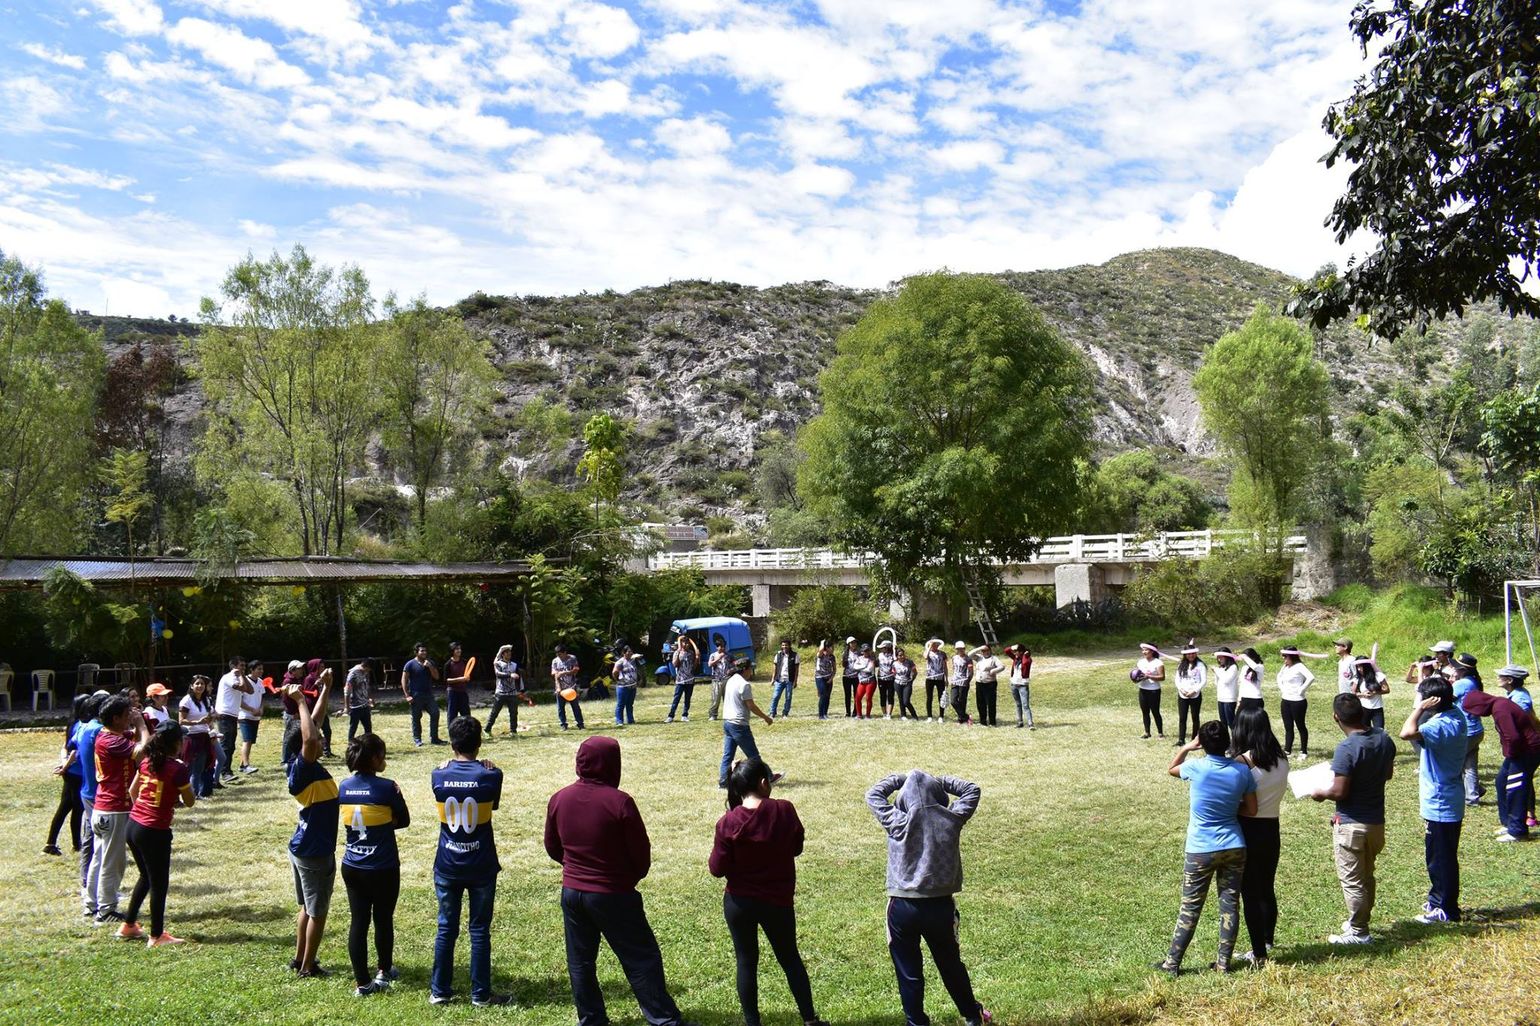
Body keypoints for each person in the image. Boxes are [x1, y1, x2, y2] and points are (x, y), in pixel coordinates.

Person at [544, 736, 694, 1026]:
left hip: (572, 891)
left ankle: (591, 1019)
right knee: (640, 958)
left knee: (580, 962)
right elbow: (640, 854)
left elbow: (552, 846)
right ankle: (664, 1019)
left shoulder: (559, 798)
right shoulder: (619, 802)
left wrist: (573, 868)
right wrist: (625, 878)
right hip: (612, 891)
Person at [865, 770, 989, 1026]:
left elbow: (873, 794)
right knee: (950, 964)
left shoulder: (897, 820)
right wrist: (938, 780)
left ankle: (916, 1022)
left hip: (902, 907)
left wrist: (901, 779)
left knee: (908, 971)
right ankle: (972, 1015)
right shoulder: (951, 818)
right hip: (940, 906)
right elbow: (971, 789)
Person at [709, 758, 827, 1026]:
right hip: (777, 901)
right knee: (790, 958)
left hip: (739, 902)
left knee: (746, 961)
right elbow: (796, 848)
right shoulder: (784, 810)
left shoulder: (728, 822)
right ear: (764, 783)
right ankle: (809, 1019)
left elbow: (716, 869)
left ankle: (753, 1023)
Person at [1154, 720, 1256, 975]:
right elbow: (1252, 809)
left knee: (1190, 906)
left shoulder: (1196, 767)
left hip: (1200, 848)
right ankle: (1223, 963)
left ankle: (1172, 963)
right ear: (1227, 742)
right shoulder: (1242, 771)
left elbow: (1172, 769)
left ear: (1202, 744)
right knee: (1230, 905)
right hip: (1234, 845)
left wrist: (1187, 747)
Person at [431, 716, 510, 1006]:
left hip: (448, 862)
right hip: (481, 863)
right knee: (479, 930)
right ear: (479, 743)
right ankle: (480, 994)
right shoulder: (492, 775)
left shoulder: (438, 774)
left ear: (452, 743)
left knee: (446, 928)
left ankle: (440, 991)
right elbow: (493, 805)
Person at [1310, 693, 1397, 944]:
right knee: (1367, 876)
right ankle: (1359, 921)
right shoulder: (1383, 738)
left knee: (1352, 881)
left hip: (1351, 824)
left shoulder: (1346, 748)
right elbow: (1388, 774)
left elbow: (1339, 792)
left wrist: (1320, 793)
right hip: (1376, 822)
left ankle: (1359, 932)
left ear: (1336, 717)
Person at [338, 732, 410, 998]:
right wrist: (385, 821)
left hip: (352, 865)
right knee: (383, 918)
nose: (385, 759)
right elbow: (404, 820)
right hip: (382, 866)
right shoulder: (387, 787)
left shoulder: (343, 786)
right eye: (383, 755)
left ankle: (362, 983)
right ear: (375, 758)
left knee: (358, 922)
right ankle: (384, 969)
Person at [115, 722, 194, 946]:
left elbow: (133, 791)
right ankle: (156, 935)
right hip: (154, 831)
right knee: (159, 883)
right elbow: (189, 801)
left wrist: (145, 808)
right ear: (176, 743)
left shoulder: (147, 761)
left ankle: (128, 925)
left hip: (133, 825)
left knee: (146, 876)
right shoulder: (178, 768)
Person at [1397, 677, 1467, 922]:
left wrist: (1419, 709)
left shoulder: (1440, 726)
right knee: (1441, 854)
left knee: (1440, 858)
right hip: (1450, 796)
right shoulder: (1455, 715)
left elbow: (1406, 733)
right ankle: (1438, 898)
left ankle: (1445, 907)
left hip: (1440, 801)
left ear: (1431, 701)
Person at [287, 674, 338, 979]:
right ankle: (307, 968)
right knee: (317, 912)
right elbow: (309, 737)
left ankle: (299, 959)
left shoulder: (303, 765)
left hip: (303, 847)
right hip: (315, 853)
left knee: (307, 907)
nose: (321, 740)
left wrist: (326, 689)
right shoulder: (303, 768)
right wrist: (300, 701)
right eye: (318, 739)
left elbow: (312, 726)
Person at [89, 692, 153, 924]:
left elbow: (135, 739)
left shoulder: (108, 734)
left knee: (99, 858)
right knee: (113, 862)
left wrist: (138, 725)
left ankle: (91, 904)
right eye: (126, 715)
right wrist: (141, 725)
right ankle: (106, 910)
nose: (129, 718)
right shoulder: (111, 741)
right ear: (115, 718)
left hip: (104, 807)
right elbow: (142, 750)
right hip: (114, 808)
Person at [1229, 708, 1287, 966]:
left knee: (1249, 892)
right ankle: (1267, 939)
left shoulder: (1243, 761)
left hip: (1248, 828)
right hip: (1271, 827)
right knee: (1266, 887)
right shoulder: (1281, 758)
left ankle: (1258, 952)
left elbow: (1235, 799)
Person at [1458, 683, 1540, 842]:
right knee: (1501, 781)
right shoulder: (1498, 704)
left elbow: (1513, 737)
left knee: (1515, 788)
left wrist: (1510, 755)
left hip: (1528, 751)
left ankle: (1518, 831)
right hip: (1519, 752)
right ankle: (1508, 823)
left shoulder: (1500, 709)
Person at [70, 692, 108, 918]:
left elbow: (73, 747)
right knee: (100, 844)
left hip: (86, 790)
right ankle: (95, 893)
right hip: (97, 793)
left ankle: (87, 885)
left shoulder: (83, 727)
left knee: (89, 839)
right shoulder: (99, 731)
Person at [45, 694, 90, 857]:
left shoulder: (73, 724)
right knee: (75, 809)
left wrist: (65, 765)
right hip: (76, 773)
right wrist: (65, 766)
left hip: (71, 772)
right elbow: (74, 751)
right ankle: (75, 845)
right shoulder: (81, 725)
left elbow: (66, 747)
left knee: (66, 808)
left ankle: (53, 843)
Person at [721, 659, 775, 789]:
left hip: (728, 722)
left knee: (728, 755)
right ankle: (769, 777)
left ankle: (723, 782)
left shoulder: (730, 680)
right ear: (745, 669)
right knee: (753, 755)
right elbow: (751, 706)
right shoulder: (744, 684)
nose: (752, 671)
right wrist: (766, 717)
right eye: (751, 668)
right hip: (739, 725)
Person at [1450, 657, 1486, 806]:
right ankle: (1473, 796)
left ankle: (1470, 791)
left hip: (1465, 731)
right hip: (1476, 729)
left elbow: (1446, 699)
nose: (1453, 669)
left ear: (1463, 670)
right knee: (1470, 766)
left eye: (1456, 667)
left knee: (1453, 763)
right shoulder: (1474, 682)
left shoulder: (1461, 684)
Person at [214, 656, 253, 786]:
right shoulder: (228, 677)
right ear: (234, 666)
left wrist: (243, 676)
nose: (244, 668)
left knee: (231, 744)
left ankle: (227, 770)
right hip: (224, 714)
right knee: (226, 744)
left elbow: (250, 690)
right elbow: (242, 688)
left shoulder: (239, 677)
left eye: (244, 666)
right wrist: (241, 676)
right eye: (241, 665)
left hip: (232, 715)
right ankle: (224, 772)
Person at [178, 676, 217, 799]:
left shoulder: (206, 700)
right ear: (191, 686)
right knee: (189, 767)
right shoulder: (186, 700)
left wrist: (211, 722)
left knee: (200, 767)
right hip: (191, 737)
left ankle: (196, 793)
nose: (200, 686)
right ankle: (187, 795)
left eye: (202, 684)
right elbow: (181, 721)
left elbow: (209, 717)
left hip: (204, 736)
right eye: (197, 683)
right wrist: (197, 722)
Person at [1276, 646, 1316, 759]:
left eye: (1285, 656)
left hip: (1297, 701)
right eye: (1283, 656)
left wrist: (1301, 689)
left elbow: (1311, 677)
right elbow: (1279, 677)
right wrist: (1282, 688)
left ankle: (1303, 751)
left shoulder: (1299, 666)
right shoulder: (1285, 667)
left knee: (1300, 726)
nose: (1283, 659)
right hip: (1285, 700)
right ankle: (1287, 750)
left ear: (1292, 656)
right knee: (1288, 727)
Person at [402, 643, 444, 748]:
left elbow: (436, 676)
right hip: (415, 695)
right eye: (422, 651)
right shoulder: (410, 664)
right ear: (416, 652)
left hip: (428, 694)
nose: (424, 652)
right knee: (416, 717)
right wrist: (407, 695)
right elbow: (404, 679)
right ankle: (417, 739)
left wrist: (430, 667)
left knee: (435, 713)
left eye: (425, 651)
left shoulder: (430, 663)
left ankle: (434, 738)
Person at [486, 645, 524, 738]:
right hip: (500, 692)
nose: (509, 654)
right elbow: (498, 674)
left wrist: (521, 690)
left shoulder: (514, 664)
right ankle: (487, 730)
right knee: (495, 712)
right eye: (507, 652)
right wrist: (510, 675)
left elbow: (519, 677)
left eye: (510, 652)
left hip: (512, 693)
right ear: (502, 654)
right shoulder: (498, 663)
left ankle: (513, 731)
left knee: (514, 713)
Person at [1173, 642, 1206, 746]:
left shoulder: (1200, 665)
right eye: (1188, 654)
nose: (1191, 655)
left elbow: (1203, 681)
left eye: (1192, 653)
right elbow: (1177, 679)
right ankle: (1181, 739)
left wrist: (1194, 690)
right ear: (1185, 655)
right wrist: (1181, 690)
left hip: (1195, 695)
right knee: (1182, 718)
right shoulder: (1181, 665)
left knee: (1195, 717)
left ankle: (1195, 739)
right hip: (1183, 695)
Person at [1352, 649, 1392, 732]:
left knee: (1379, 730)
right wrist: (1363, 694)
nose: (1359, 669)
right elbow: (1353, 693)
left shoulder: (1378, 676)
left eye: (1361, 666)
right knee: (1365, 730)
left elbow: (1387, 689)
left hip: (1377, 708)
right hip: (1364, 708)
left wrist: (1375, 692)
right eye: (1357, 667)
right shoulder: (1358, 679)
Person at [1133, 643, 1166, 739]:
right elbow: (1138, 674)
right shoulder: (1140, 662)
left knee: (1155, 712)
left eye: (1146, 650)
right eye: (1143, 650)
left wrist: (1149, 676)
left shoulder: (1158, 663)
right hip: (1143, 689)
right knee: (1145, 712)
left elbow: (1162, 677)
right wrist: (1136, 679)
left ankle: (1160, 733)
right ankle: (1147, 732)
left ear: (1152, 651)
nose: (1144, 652)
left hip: (1154, 690)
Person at [238, 662, 265, 774]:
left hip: (256, 717)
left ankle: (241, 765)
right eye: (258, 669)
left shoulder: (260, 682)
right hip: (245, 716)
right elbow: (239, 701)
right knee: (247, 740)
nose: (261, 671)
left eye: (262, 669)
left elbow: (262, 698)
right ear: (251, 670)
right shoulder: (244, 681)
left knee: (250, 741)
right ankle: (246, 766)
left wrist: (261, 709)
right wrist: (251, 710)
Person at [666, 635, 699, 723]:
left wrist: (696, 658)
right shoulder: (677, 652)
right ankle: (671, 716)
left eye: (688, 643)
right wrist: (679, 652)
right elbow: (675, 664)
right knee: (676, 699)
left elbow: (694, 665)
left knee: (687, 699)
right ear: (682, 643)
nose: (687, 644)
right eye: (685, 643)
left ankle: (685, 715)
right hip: (680, 680)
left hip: (690, 680)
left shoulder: (691, 653)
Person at [552, 644, 586, 730]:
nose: (558, 656)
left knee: (575, 707)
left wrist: (565, 673)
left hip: (572, 687)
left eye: (560, 654)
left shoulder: (572, 658)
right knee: (560, 708)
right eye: (557, 654)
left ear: (565, 652)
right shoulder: (555, 661)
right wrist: (558, 687)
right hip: (561, 688)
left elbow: (576, 670)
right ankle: (563, 725)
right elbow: (555, 674)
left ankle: (580, 724)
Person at [969, 644, 1003, 728]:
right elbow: (969, 654)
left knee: (991, 703)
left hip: (990, 683)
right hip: (979, 683)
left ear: (990, 650)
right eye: (984, 651)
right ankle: (983, 721)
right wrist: (980, 648)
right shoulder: (979, 658)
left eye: (987, 650)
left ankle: (992, 722)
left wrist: (993, 670)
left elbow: (1002, 667)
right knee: (980, 703)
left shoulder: (994, 659)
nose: (986, 652)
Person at [344, 659, 375, 740]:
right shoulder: (353, 674)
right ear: (366, 666)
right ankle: (351, 744)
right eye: (369, 669)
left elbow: (366, 686)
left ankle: (369, 744)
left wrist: (370, 698)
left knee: (368, 728)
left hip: (365, 705)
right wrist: (347, 707)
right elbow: (347, 691)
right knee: (353, 727)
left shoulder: (365, 672)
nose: (368, 671)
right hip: (355, 706)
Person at [770, 640, 799, 719]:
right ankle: (772, 713)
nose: (784, 647)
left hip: (789, 680)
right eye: (783, 645)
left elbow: (797, 670)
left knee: (788, 697)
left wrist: (795, 681)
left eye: (786, 645)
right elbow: (775, 667)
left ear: (789, 646)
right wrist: (773, 679)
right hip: (779, 680)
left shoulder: (795, 655)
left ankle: (785, 713)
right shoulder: (778, 655)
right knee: (775, 696)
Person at [613, 646, 642, 726]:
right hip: (623, 687)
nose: (630, 653)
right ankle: (619, 721)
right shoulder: (620, 662)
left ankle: (630, 720)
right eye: (628, 651)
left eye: (631, 651)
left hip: (632, 686)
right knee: (621, 704)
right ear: (624, 653)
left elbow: (638, 659)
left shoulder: (632, 660)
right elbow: (614, 672)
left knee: (630, 704)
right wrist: (618, 680)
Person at [1006, 645, 1033, 729]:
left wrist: (1025, 655)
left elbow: (1025, 663)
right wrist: (1013, 647)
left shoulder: (1027, 659)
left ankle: (1030, 723)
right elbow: (1006, 651)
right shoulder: (1015, 658)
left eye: (1016, 651)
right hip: (1014, 684)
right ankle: (1020, 722)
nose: (1014, 653)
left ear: (1021, 652)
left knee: (1025, 705)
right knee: (1018, 704)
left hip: (1023, 685)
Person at [445, 642, 472, 722]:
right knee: (452, 714)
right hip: (452, 692)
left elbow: (468, 676)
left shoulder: (464, 661)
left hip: (463, 691)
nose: (459, 650)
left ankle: (468, 729)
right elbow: (447, 680)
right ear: (452, 651)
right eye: (457, 649)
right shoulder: (448, 664)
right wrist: (460, 679)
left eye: (460, 649)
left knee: (466, 714)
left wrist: (467, 679)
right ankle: (451, 729)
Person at [1213, 648, 1239, 728]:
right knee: (1223, 722)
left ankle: (1235, 736)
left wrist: (1216, 670)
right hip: (1221, 698)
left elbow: (1226, 680)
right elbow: (1217, 683)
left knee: (1231, 722)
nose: (1219, 659)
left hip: (1229, 698)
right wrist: (1217, 672)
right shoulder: (1220, 668)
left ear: (1227, 657)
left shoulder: (1233, 667)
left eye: (1221, 657)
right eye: (1218, 658)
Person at [708, 637, 733, 721]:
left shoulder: (729, 655)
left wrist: (731, 670)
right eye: (720, 646)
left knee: (727, 698)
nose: (722, 648)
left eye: (723, 646)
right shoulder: (713, 655)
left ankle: (728, 714)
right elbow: (709, 664)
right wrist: (718, 658)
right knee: (716, 698)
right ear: (717, 647)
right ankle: (713, 714)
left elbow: (734, 664)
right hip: (716, 679)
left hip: (727, 679)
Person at [924, 640, 947, 723]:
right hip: (930, 677)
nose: (934, 646)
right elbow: (925, 657)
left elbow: (945, 666)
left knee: (941, 697)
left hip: (940, 678)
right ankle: (929, 716)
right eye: (933, 644)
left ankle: (941, 716)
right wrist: (929, 646)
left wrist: (946, 678)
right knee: (929, 697)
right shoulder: (928, 652)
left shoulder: (942, 654)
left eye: (936, 644)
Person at [1235, 648, 1265, 713]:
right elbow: (1242, 684)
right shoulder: (1244, 668)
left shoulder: (1260, 667)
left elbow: (1255, 667)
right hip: (1244, 698)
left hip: (1255, 698)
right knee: (1239, 718)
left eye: (1246, 659)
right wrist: (1239, 699)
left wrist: (1244, 656)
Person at [895, 648, 920, 721]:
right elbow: (892, 672)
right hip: (898, 683)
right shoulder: (894, 663)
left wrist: (911, 680)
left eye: (903, 654)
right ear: (897, 656)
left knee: (906, 701)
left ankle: (914, 716)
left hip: (907, 683)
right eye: (900, 655)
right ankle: (903, 715)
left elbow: (915, 672)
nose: (902, 656)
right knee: (901, 700)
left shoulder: (909, 662)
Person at [852, 644, 877, 719]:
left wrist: (860, 667)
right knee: (857, 698)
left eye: (867, 650)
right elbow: (855, 667)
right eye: (864, 651)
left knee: (868, 698)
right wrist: (864, 666)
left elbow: (869, 669)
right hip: (862, 681)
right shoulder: (859, 658)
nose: (866, 652)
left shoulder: (872, 659)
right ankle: (859, 715)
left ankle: (867, 715)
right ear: (862, 651)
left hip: (870, 681)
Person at [813, 640, 835, 720]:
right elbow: (821, 649)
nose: (833, 649)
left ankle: (825, 713)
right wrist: (823, 642)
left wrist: (831, 678)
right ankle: (821, 715)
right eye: (831, 647)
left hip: (829, 678)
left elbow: (834, 669)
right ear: (827, 648)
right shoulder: (820, 655)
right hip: (820, 677)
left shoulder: (832, 657)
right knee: (822, 695)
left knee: (827, 696)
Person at [876, 640, 897, 720]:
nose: (881, 649)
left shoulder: (893, 655)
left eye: (883, 648)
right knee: (882, 696)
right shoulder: (880, 655)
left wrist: (894, 649)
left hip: (891, 679)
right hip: (881, 678)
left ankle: (889, 714)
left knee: (890, 696)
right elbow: (876, 664)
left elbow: (896, 662)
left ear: (887, 648)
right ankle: (884, 714)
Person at [840, 637, 859, 718]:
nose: (854, 644)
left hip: (856, 676)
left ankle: (855, 711)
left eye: (855, 642)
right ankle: (848, 712)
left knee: (856, 694)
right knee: (847, 695)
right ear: (848, 644)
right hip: (847, 676)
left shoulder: (859, 653)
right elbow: (843, 664)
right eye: (852, 643)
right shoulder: (845, 653)